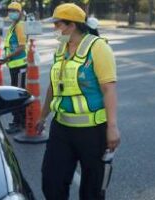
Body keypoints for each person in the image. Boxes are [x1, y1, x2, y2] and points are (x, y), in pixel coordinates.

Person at [36, 3, 120, 200]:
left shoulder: (97, 47)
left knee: (92, 190)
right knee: (51, 183)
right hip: (61, 129)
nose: (54, 29)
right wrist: (42, 116)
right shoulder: (60, 49)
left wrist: (112, 127)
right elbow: (53, 87)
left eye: (57, 24)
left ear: (71, 25)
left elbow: (109, 89)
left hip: (93, 131)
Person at [0, 2, 27, 133]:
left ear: (20, 12)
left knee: (18, 95)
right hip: (14, 65)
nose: (11, 12)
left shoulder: (20, 26)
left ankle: (19, 122)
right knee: (16, 93)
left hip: (20, 65)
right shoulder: (13, 26)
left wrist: (7, 57)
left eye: (14, 10)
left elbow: (21, 47)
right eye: (9, 10)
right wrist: (5, 59)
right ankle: (19, 121)